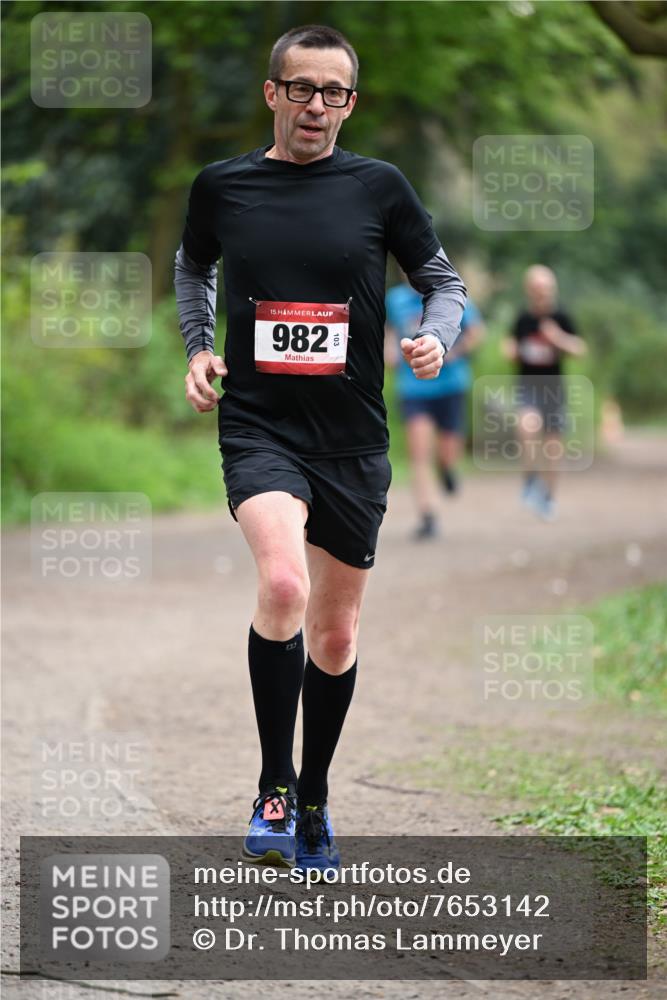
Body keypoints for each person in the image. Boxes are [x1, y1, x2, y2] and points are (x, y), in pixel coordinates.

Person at [174, 24, 466, 873]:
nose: (316, 106)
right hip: (260, 424)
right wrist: (197, 345)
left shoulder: (379, 187)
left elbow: (441, 283)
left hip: (351, 440)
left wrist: (436, 339)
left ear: (350, 102)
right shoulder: (223, 186)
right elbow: (194, 267)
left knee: (334, 637)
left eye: (333, 92)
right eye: (300, 88)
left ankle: (314, 795)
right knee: (282, 582)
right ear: (272, 93)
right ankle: (271, 784)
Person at [386, 277, 484, 539]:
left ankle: (448, 469)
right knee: (419, 453)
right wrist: (390, 350)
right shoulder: (395, 299)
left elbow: (475, 332)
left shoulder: (449, 291)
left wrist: (455, 351)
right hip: (414, 388)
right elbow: (391, 330)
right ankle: (428, 515)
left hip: (450, 385)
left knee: (447, 452)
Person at [502, 265, 586, 521]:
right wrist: (510, 350)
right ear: (529, 291)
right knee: (527, 427)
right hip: (528, 386)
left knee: (552, 447)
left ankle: (548, 496)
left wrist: (557, 338)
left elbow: (580, 349)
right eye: (538, 288)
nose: (543, 293)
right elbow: (509, 344)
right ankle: (530, 480)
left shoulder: (562, 317)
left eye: (547, 288)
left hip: (554, 388)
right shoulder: (523, 319)